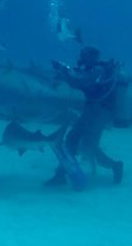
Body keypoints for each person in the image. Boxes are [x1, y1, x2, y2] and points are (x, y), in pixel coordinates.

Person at [46, 46, 125, 186]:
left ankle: (114, 165)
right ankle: (60, 174)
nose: (82, 58)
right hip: (90, 110)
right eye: (82, 55)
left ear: (94, 57)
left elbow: (79, 81)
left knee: (89, 146)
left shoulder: (99, 71)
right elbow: (78, 77)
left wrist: (64, 70)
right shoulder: (90, 71)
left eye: (85, 55)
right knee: (71, 138)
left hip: (101, 111)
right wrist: (65, 71)